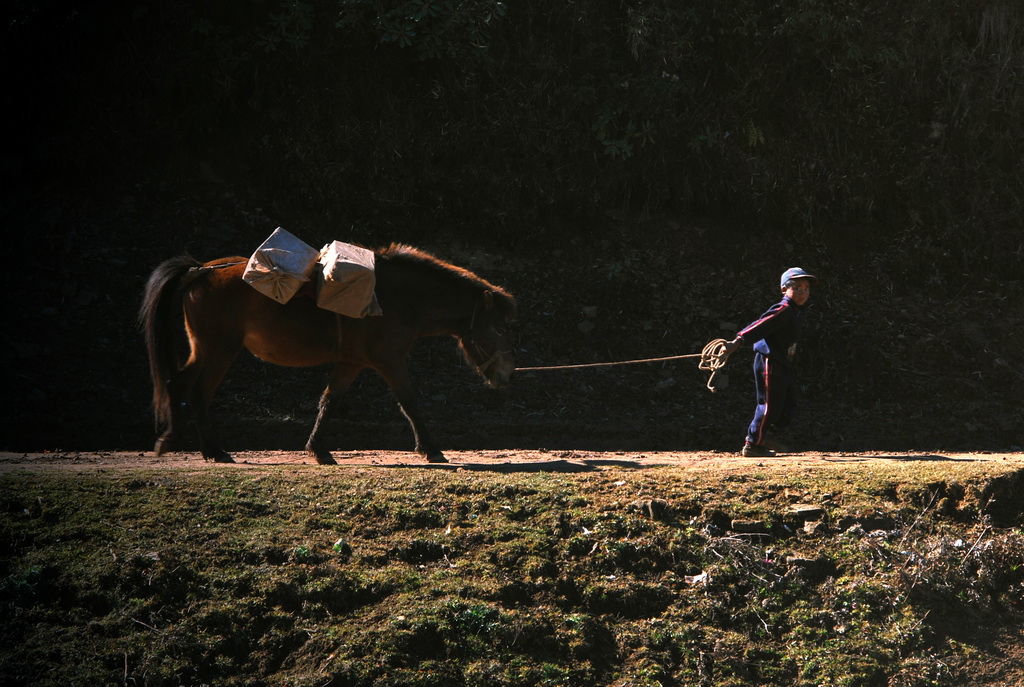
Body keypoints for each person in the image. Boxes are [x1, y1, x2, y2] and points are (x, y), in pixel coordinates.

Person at [723, 267, 818, 457]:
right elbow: (760, 325)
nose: (803, 292)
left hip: (783, 363)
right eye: (797, 287)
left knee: (789, 402)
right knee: (768, 403)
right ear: (784, 289)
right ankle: (752, 443)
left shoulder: (796, 312)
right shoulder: (783, 309)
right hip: (769, 361)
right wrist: (738, 341)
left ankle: (769, 435)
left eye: (806, 289)